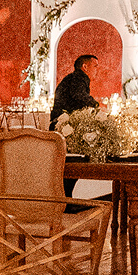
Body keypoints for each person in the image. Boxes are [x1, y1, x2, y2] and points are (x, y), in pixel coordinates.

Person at [52, 55, 100, 198]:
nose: (97, 70)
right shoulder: (79, 78)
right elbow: (79, 96)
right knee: (71, 164)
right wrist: (96, 105)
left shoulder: (73, 78)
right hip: (64, 126)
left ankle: (66, 198)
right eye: (95, 66)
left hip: (62, 123)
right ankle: (65, 199)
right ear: (85, 67)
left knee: (69, 164)